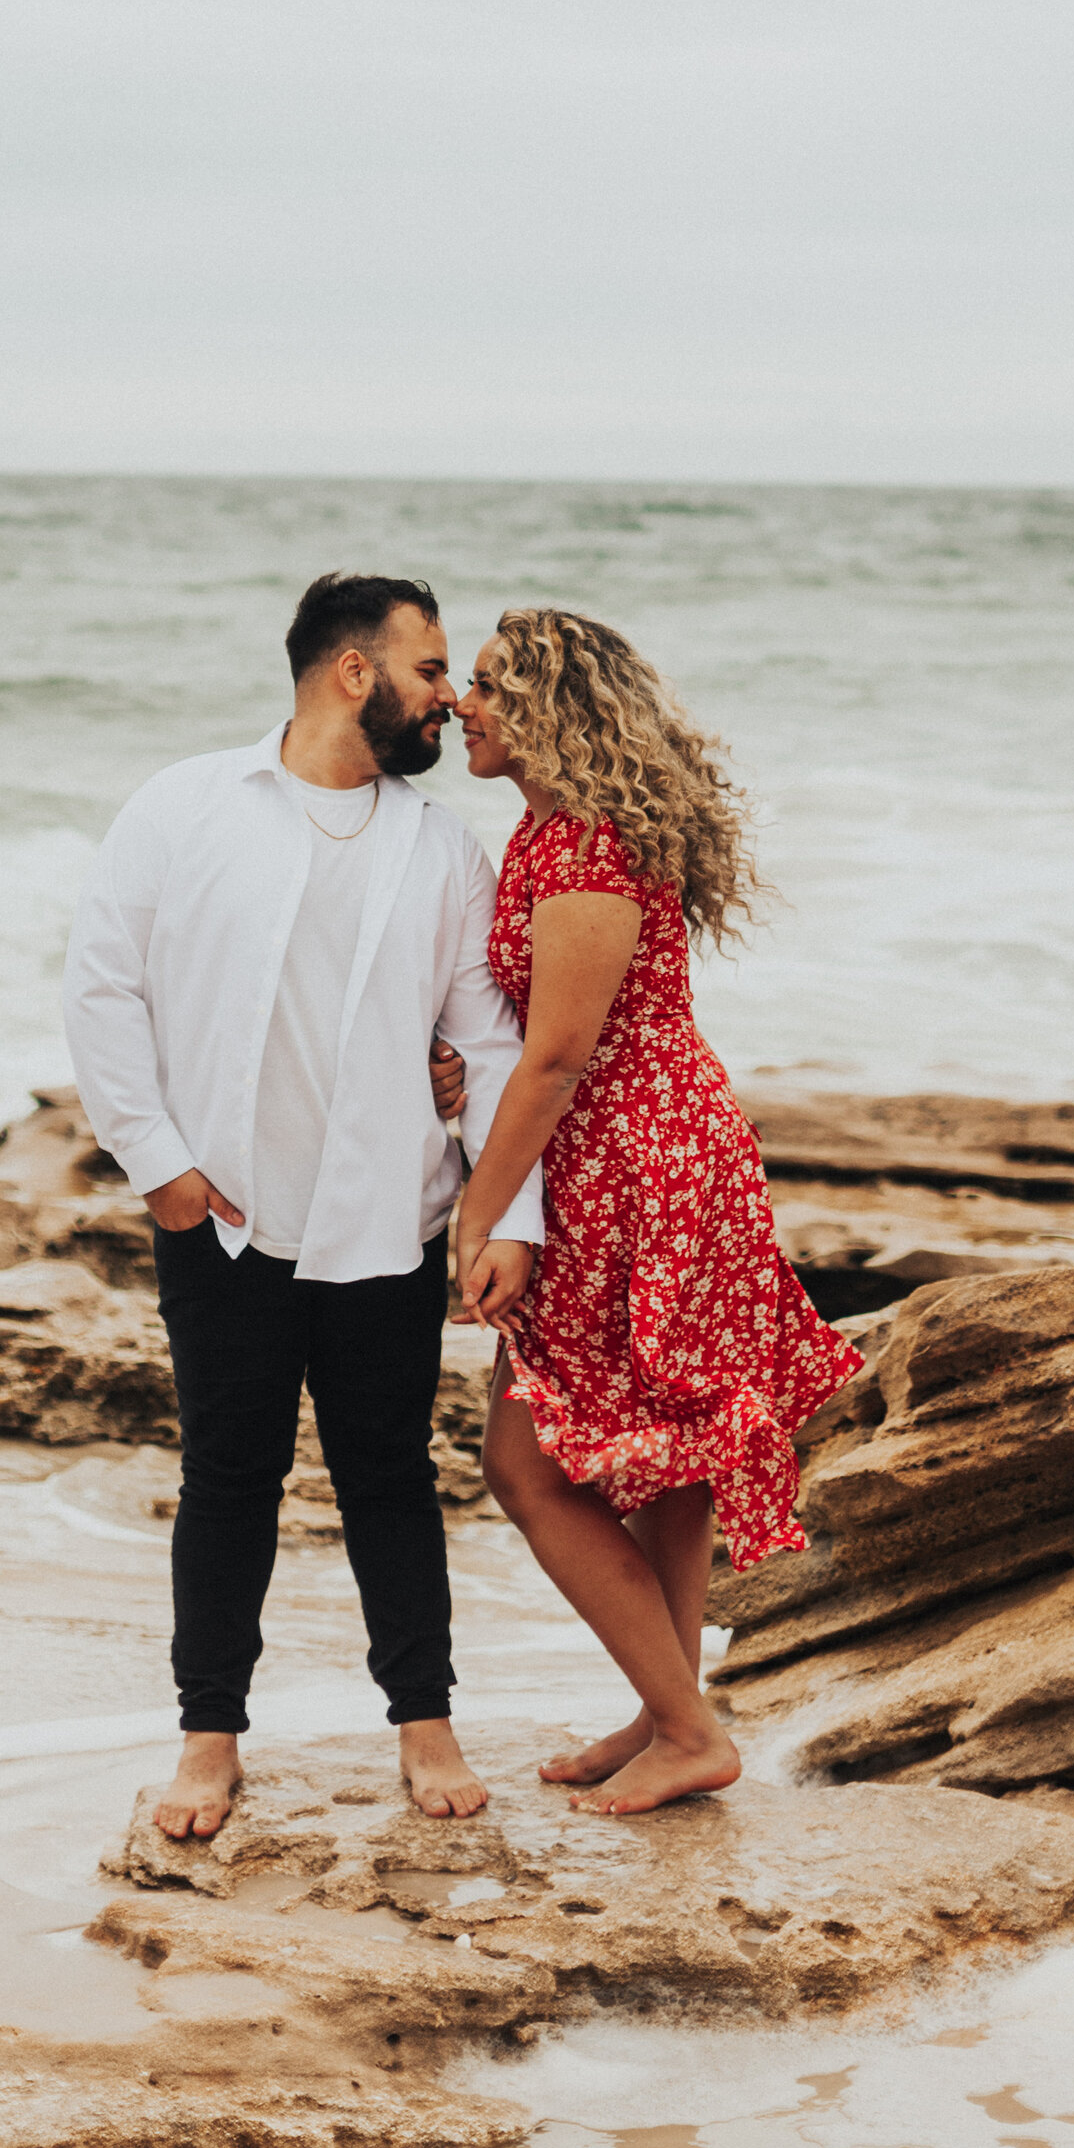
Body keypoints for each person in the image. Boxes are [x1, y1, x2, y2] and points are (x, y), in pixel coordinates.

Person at [62, 571, 544, 1841]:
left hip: (388, 1216)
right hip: (224, 1217)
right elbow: (102, 986)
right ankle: (208, 1739)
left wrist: (506, 1218)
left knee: (391, 1478)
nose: (450, 696)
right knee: (229, 1477)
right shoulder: (185, 806)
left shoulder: (441, 847)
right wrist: (156, 1162)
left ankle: (425, 1724)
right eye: (430, 669)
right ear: (353, 670)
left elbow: (488, 1046)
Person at [451, 605, 865, 1814]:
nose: (463, 705)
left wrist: (481, 1216)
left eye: (488, 685)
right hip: (653, 1152)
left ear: (549, 710)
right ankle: (666, 1709)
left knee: (526, 1467)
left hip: (638, 1167)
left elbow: (557, 1060)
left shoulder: (584, 849)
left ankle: (689, 1730)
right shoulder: (551, 831)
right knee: (673, 1459)